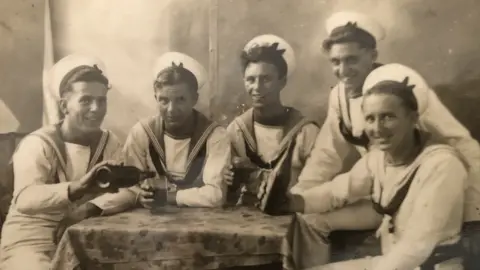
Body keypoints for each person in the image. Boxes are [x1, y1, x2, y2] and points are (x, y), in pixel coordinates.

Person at [292, 11, 480, 221]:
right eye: (335, 61)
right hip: (380, 195)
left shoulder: (404, 87)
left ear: (373, 56)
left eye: (351, 60)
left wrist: (474, 213)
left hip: (422, 196)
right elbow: (327, 154)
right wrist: (297, 196)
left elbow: (461, 143)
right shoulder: (339, 95)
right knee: (309, 219)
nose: (343, 70)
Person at [283, 63, 467, 270]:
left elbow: (416, 247)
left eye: (388, 117)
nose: (377, 129)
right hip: (390, 263)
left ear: (413, 118)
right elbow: (336, 192)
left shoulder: (442, 165)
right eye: (370, 118)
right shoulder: (379, 157)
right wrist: (292, 202)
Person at [0, 54, 135, 270]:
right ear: (64, 106)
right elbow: (25, 199)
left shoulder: (109, 142)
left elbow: (129, 190)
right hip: (33, 239)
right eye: (86, 100)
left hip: (82, 233)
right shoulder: (38, 143)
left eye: (101, 101)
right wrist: (76, 188)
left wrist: (88, 208)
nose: (95, 109)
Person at [121, 52, 230, 209]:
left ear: (194, 99)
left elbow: (216, 195)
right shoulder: (141, 133)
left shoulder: (215, 135)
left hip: (202, 220)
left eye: (181, 100)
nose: (171, 110)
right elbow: (129, 183)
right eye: (164, 101)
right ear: (155, 98)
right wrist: (140, 195)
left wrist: (169, 197)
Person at [225, 34, 319, 215]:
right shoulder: (237, 130)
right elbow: (227, 189)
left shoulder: (305, 131)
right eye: (250, 79)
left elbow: (317, 185)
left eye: (266, 79)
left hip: (293, 214)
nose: (257, 87)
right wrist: (229, 179)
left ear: (282, 82)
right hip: (245, 216)